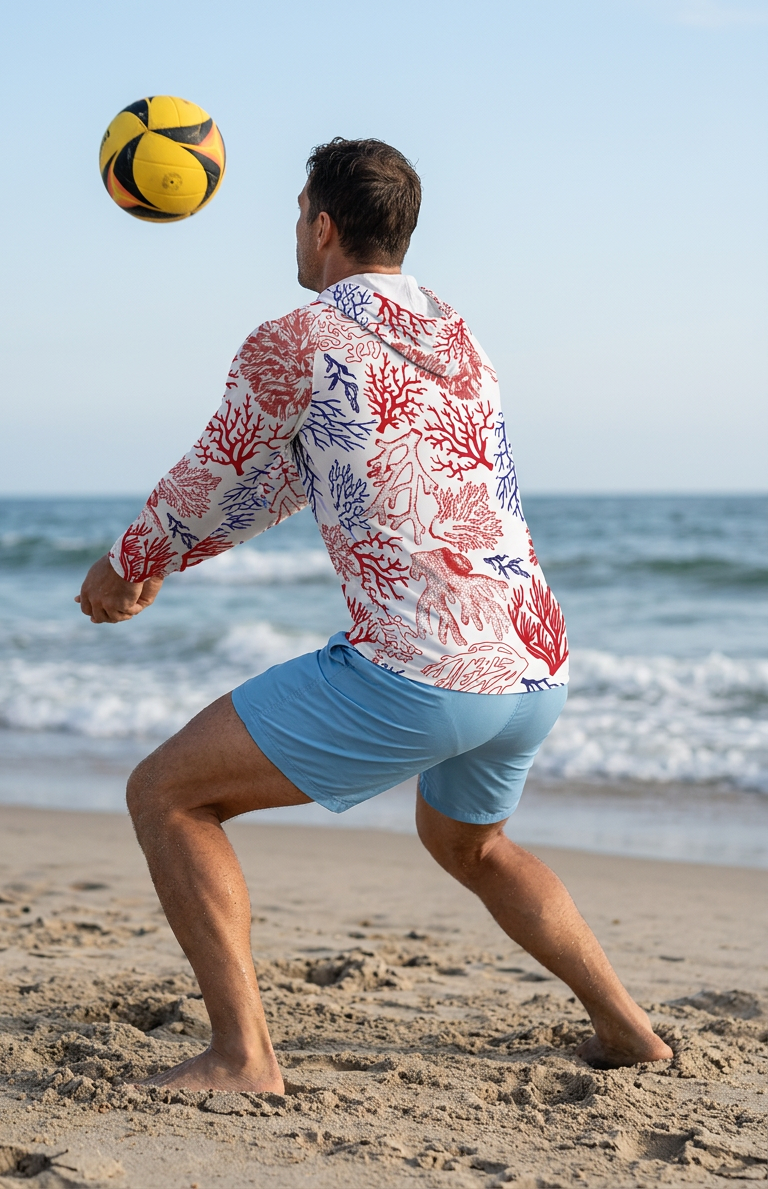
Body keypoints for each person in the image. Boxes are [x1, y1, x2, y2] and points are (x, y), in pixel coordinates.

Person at [76, 138, 672, 1092]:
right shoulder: (461, 337)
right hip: (532, 661)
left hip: (424, 668)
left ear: (322, 224)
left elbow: (218, 474)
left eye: (297, 210)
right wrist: (166, 560)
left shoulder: (295, 339)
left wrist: (128, 562)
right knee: (469, 844)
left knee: (168, 795)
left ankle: (241, 1057)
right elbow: (282, 481)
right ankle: (629, 1031)